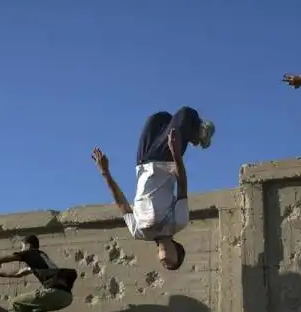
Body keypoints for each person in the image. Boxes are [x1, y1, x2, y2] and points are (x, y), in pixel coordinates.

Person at [91, 106, 215, 271]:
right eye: (172, 264)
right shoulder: (178, 222)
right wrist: (176, 154)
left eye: (164, 265)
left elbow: (122, 204)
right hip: (165, 161)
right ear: (178, 251)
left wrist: (105, 173)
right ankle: (200, 133)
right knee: (185, 115)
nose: (166, 264)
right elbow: (182, 184)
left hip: (142, 163)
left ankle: (190, 136)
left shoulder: (139, 232)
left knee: (157, 119)